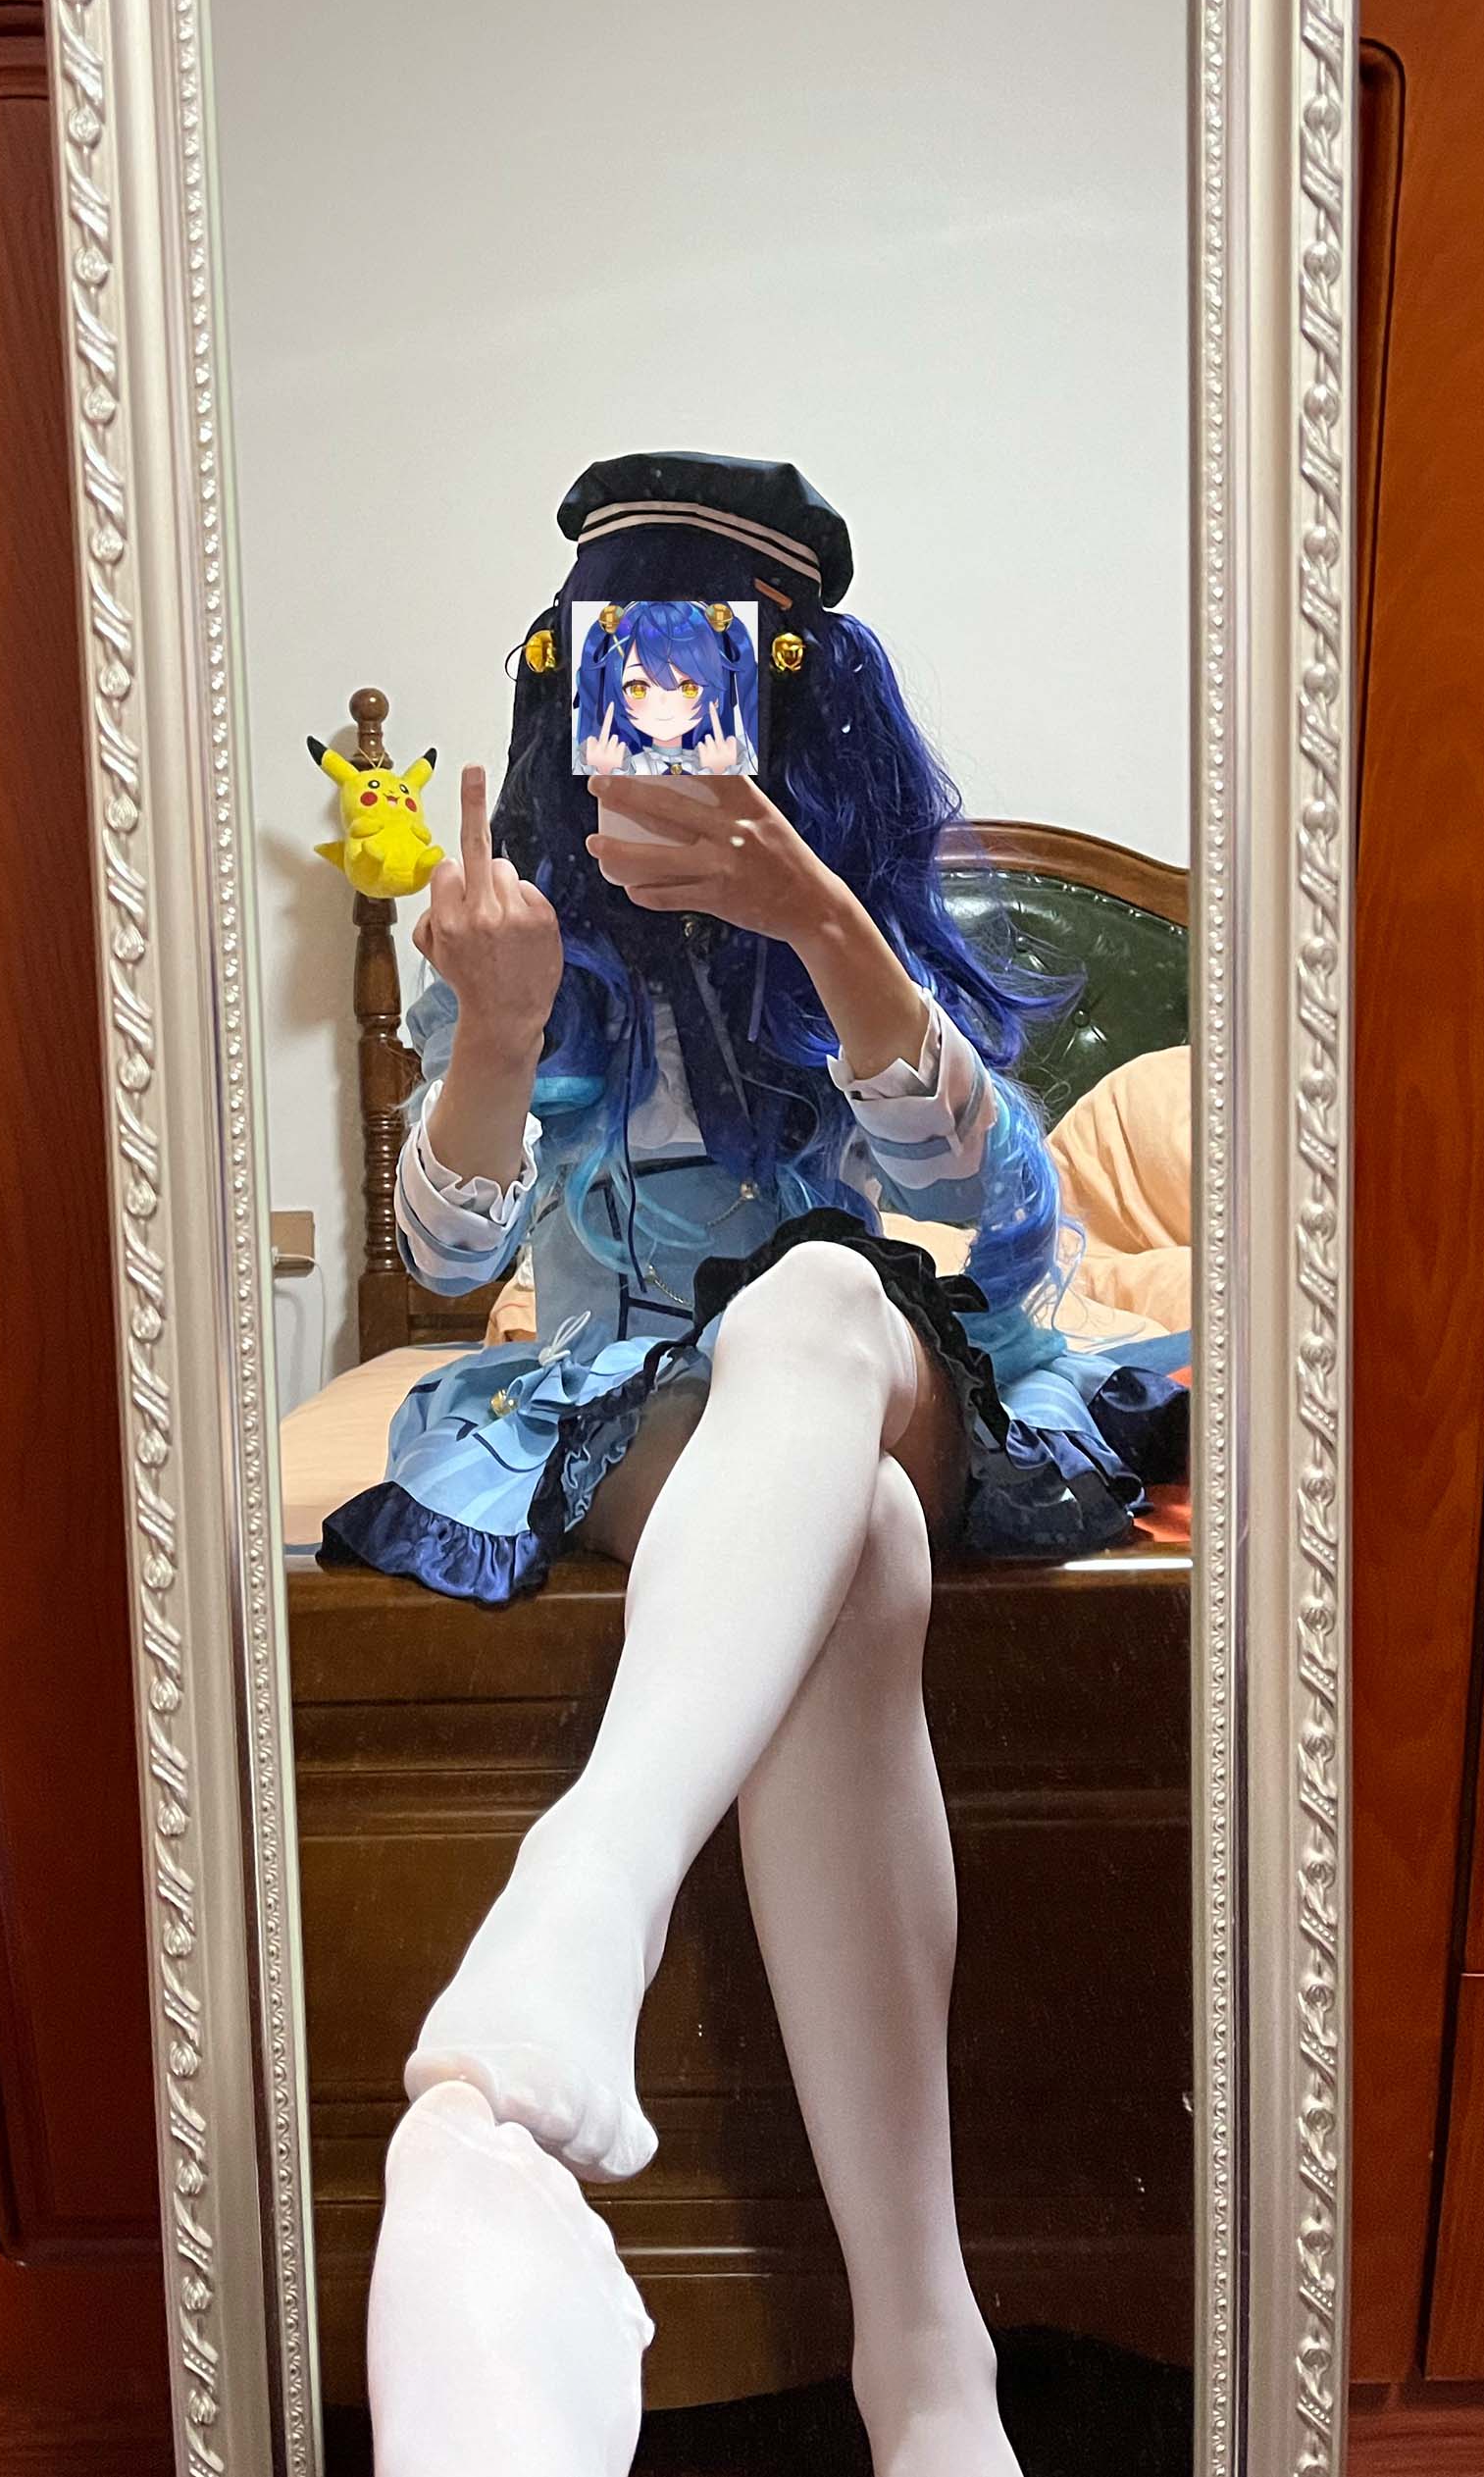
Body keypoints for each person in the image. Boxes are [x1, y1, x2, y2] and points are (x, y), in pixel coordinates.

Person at [334, 455, 1189, 2477]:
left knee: (812, 1297)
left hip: (879, 1356)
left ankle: (584, 1897)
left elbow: (1001, 1222)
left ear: (794, 703)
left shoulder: (863, 922)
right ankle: (928, 2371)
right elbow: (446, 1265)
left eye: (699, 674)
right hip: (657, 1407)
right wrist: (493, 1034)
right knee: (855, 1538)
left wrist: (819, 919)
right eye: (611, 675)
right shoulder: (517, 943)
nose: (652, 722)